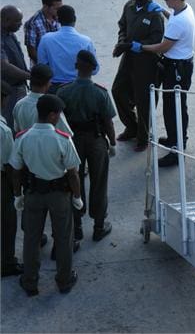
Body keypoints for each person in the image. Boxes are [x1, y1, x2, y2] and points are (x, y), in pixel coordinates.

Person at [10, 94, 81, 296]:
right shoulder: (62, 139)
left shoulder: (23, 137)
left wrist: (17, 195)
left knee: (31, 238)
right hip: (59, 195)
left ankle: (30, 281)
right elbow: (73, 173)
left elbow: (16, 169)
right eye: (58, 113)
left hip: (33, 193)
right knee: (63, 237)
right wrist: (76, 197)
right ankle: (64, 280)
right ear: (51, 115)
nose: (59, 116)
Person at [132, 0, 195, 167]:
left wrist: (140, 47)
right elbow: (173, 18)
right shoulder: (184, 9)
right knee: (175, 106)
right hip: (181, 64)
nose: (165, 1)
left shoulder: (180, 21)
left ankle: (177, 149)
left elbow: (162, 47)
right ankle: (175, 138)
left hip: (177, 68)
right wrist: (163, 12)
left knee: (174, 108)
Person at [57, 50, 116, 242]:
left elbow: (58, 120)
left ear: (76, 67)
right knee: (99, 181)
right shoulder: (100, 92)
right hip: (96, 139)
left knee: (73, 182)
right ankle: (99, 226)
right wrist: (112, 142)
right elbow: (108, 121)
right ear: (94, 69)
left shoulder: (64, 91)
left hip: (72, 140)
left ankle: (77, 226)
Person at [111, 0, 165, 152]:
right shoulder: (129, 6)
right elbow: (122, 26)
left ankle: (143, 137)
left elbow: (156, 40)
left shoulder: (154, 13)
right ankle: (132, 126)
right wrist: (121, 42)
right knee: (118, 90)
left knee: (144, 100)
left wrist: (131, 45)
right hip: (128, 58)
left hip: (146, 61)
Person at [37, 5, 98, 93]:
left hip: (55, 89)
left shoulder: (46, 39)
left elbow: (42, 66)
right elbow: (95, 70)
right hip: (79, 89)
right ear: (75, 19)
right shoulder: (86, 41)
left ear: (58, 19)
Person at [0, 82, 22, 278]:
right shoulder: (4, 131)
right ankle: (7, 262)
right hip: (2, 182)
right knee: (7, 222)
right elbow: (9, 164)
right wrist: (16, 190)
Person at [13, 64, 72, 135]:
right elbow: (66, 133)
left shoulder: (19, 105)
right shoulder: (52, 105)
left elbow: (17, 131)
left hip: (26, 145)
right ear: (47, 83)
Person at [1, 5, 30, 129]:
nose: (20, 24)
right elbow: (4, 66)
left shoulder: (9, 33)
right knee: (10, 126)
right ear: (7, 20)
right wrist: (30, 76)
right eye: (18, 21)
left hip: (18, 88)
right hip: (9, 91)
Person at [24, 0, 63, 66]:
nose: (59, 11)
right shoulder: (33, 23)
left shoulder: (58, 17)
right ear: (45, 7)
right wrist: (45, 65)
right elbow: (31, 50)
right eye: (56, 9)